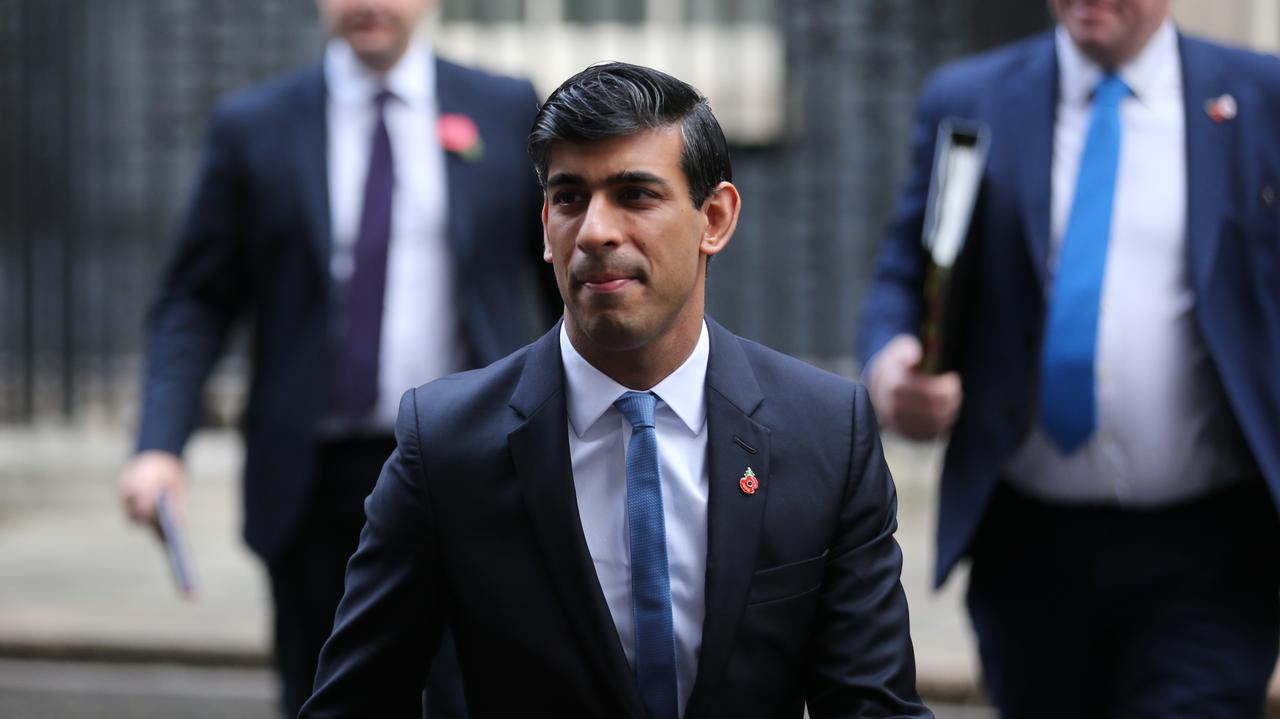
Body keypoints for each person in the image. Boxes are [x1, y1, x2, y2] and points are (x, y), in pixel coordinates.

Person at [300, 62, 932, 719]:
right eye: (570, 198)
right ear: (546, 225)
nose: (596, 231)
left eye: (635, 195)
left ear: (715, 218)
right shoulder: (445, 444)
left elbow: (873, 705)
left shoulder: (827, 433)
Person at [117, 0, 557, 715]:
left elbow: (562, 276)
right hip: (314, 479)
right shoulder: (255, 124)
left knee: (472, 695)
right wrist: (159, 444)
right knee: (326, 694)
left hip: (471, 465)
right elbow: (196, 299)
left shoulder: (504, 109)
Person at [859, 0, 1280, 716]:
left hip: (1211, 548)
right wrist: (894, 365)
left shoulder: (1258, 96)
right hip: (1029, 545)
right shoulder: (971, 96)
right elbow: (909, 266)